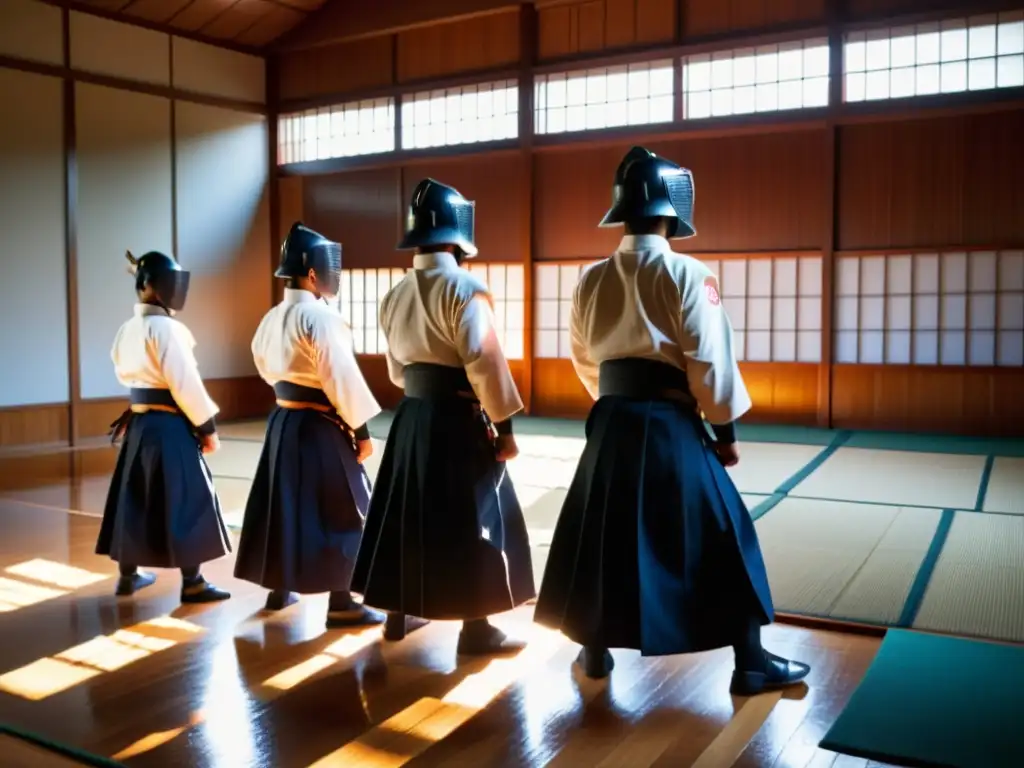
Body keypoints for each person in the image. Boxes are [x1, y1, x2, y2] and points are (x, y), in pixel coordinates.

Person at [533, 147, 811, 696]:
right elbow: (709, 359)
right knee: (726, 531)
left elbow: (585, 358)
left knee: (603, 531)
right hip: (669, 423)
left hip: (610, 422)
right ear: (672, 210)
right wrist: (724, 433)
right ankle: (750, 661)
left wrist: (615, 403)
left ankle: (594, 653)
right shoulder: (688, 272)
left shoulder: (590, 278)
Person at [351, 179, 535, 655]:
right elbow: (484, 362)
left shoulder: (393, 295)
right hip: (455, 419)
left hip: (411, 417)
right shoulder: (467, 289)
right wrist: (506, 428)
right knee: (469, 518)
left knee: (407, 514)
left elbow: (397, 371)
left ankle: (396, 613)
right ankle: (476, 629)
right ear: (459, 235)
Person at [233, 223, 385, 628]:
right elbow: (341, 377)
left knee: (284, 505)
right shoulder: (321, 317)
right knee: (345, 508)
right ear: (313, 273)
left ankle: (280, 588)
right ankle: (341, 601)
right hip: (320, 426)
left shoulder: (272, 317)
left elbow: (265, 369)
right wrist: (362, 431)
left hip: (283, 421)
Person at [97, 250, 231, 603]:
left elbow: (123, 371)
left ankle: (128, 576)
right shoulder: (169, 329)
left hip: (140, 425)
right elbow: (185, 383)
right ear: (150, 286)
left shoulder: (128, 329)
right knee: (189, 496)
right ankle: (194, 582)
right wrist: (207, 428)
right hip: (170, 427)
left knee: (135, 497)